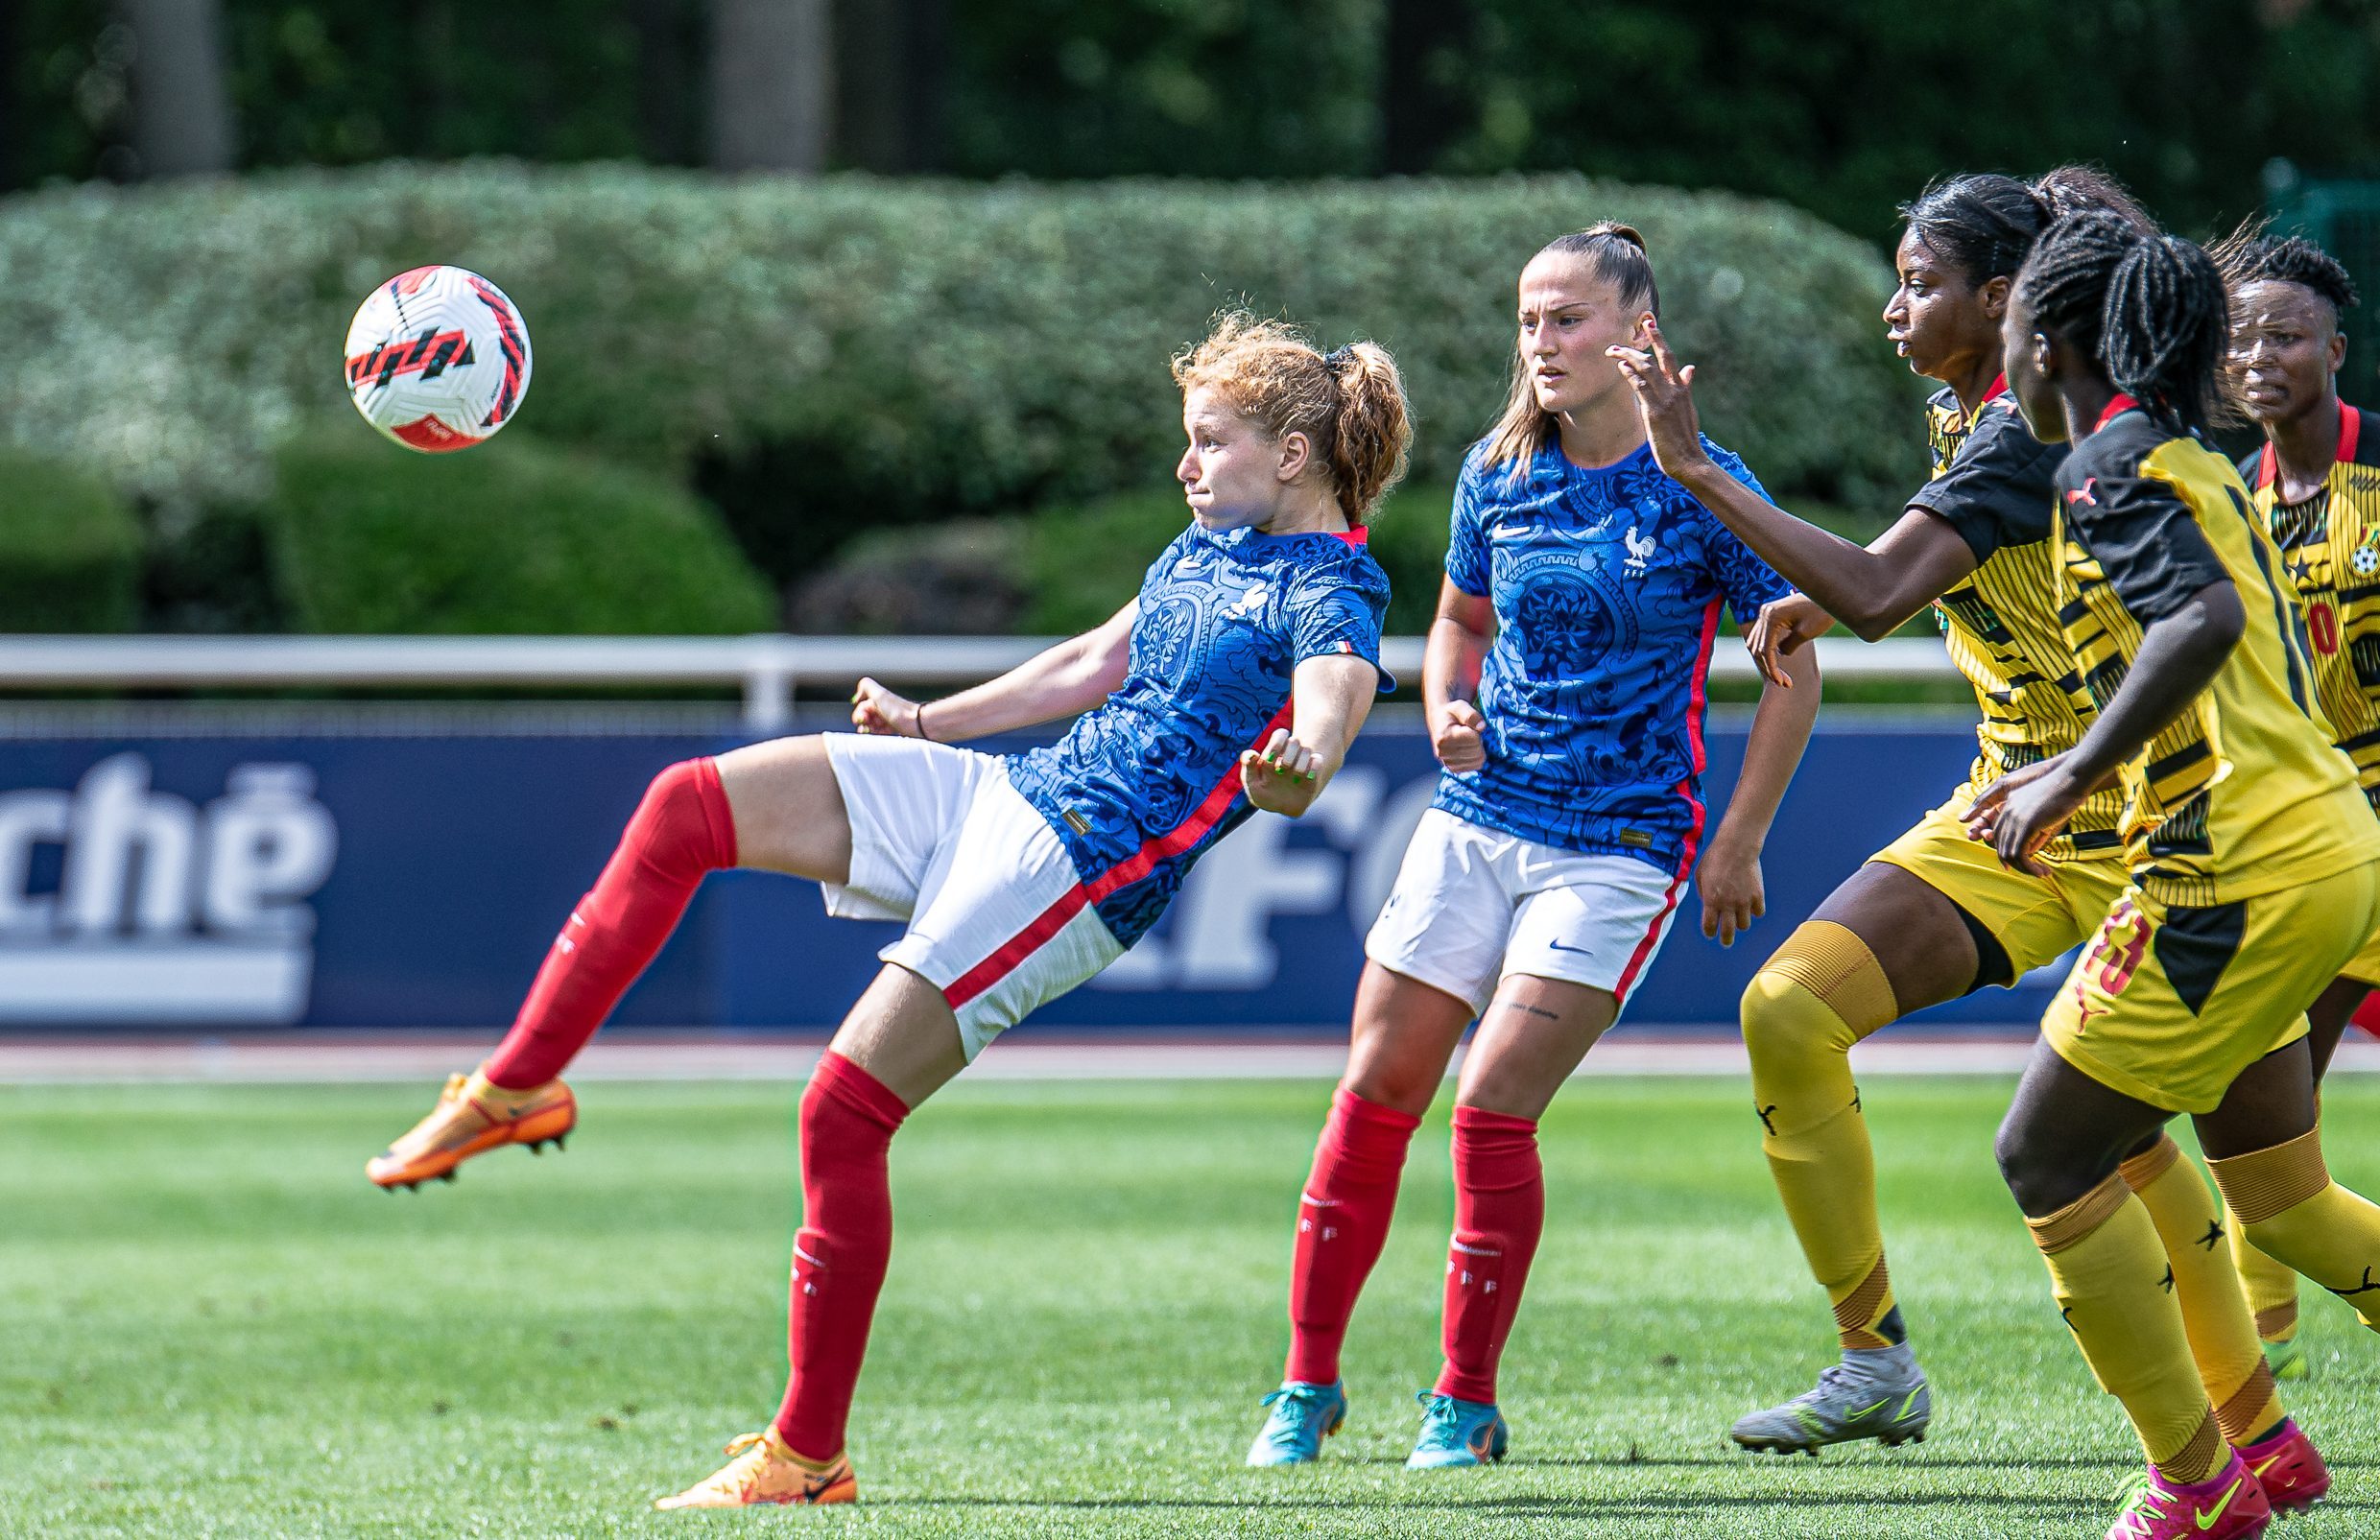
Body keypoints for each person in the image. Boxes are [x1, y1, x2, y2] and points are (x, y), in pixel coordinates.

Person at [364, 313, 1411, 1507]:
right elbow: (1090, 663)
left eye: (1207, 441)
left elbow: (1329, 697)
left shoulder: (1335, 580)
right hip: (1007, 794)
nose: (1184, 464)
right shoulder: (1198, 548)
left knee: (840, 1111)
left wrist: (1305, 767)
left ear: (1289, 455)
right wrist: (928, 724)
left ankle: (807, 1456)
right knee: (683, 808)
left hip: (1077, 867)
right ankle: (516, 1086)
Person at [1613, 173, 2326, 1497]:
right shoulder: (1986, 413)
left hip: (2157, 824)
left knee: (2240, 1183)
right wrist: (1826, 601)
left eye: (1920, 281)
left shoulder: (2023, 428)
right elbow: (1934, 569)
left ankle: (2247, 1440)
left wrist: (1700, 470)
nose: (1895, 307)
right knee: (1790, 1009)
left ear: (2009, 304)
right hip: (2018, 807)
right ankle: (1878, 1356)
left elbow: (1890, 586)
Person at [1242, 223, 1821, 1473]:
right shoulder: (1496, 473)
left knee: (1489, 1104)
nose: (1542, 343)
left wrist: (1742, 841)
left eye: (1567, 319)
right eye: (1528, 320)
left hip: (1619, 844)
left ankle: (1463, 1400)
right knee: (1376, 1089)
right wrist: (1447, 697)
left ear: (1638, 335)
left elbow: (1795, 669)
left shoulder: (1706, 484)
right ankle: (1306, 1385)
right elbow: (1457, 621)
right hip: (1479, 819)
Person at [1962, 209, 2380, 1540]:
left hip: (2235, 870)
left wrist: (2064, 774)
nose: (2006, 342)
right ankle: (2252, 1447)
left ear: (2062, 336)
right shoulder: (2201, 457)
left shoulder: (2107, 466)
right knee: (2270, 1189)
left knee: (2043, 1149)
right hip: (2326, 844)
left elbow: (2196, 619)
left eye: (2021, 315)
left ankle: (2200, 1488)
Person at [2217, 228, 2380, 1380]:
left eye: (2282, 333)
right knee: (2261, 1111)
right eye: (2238, 337)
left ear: (2334, 344)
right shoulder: (2229, 498)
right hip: (2314, 850)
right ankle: (2260, 1353)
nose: (2257, 353)